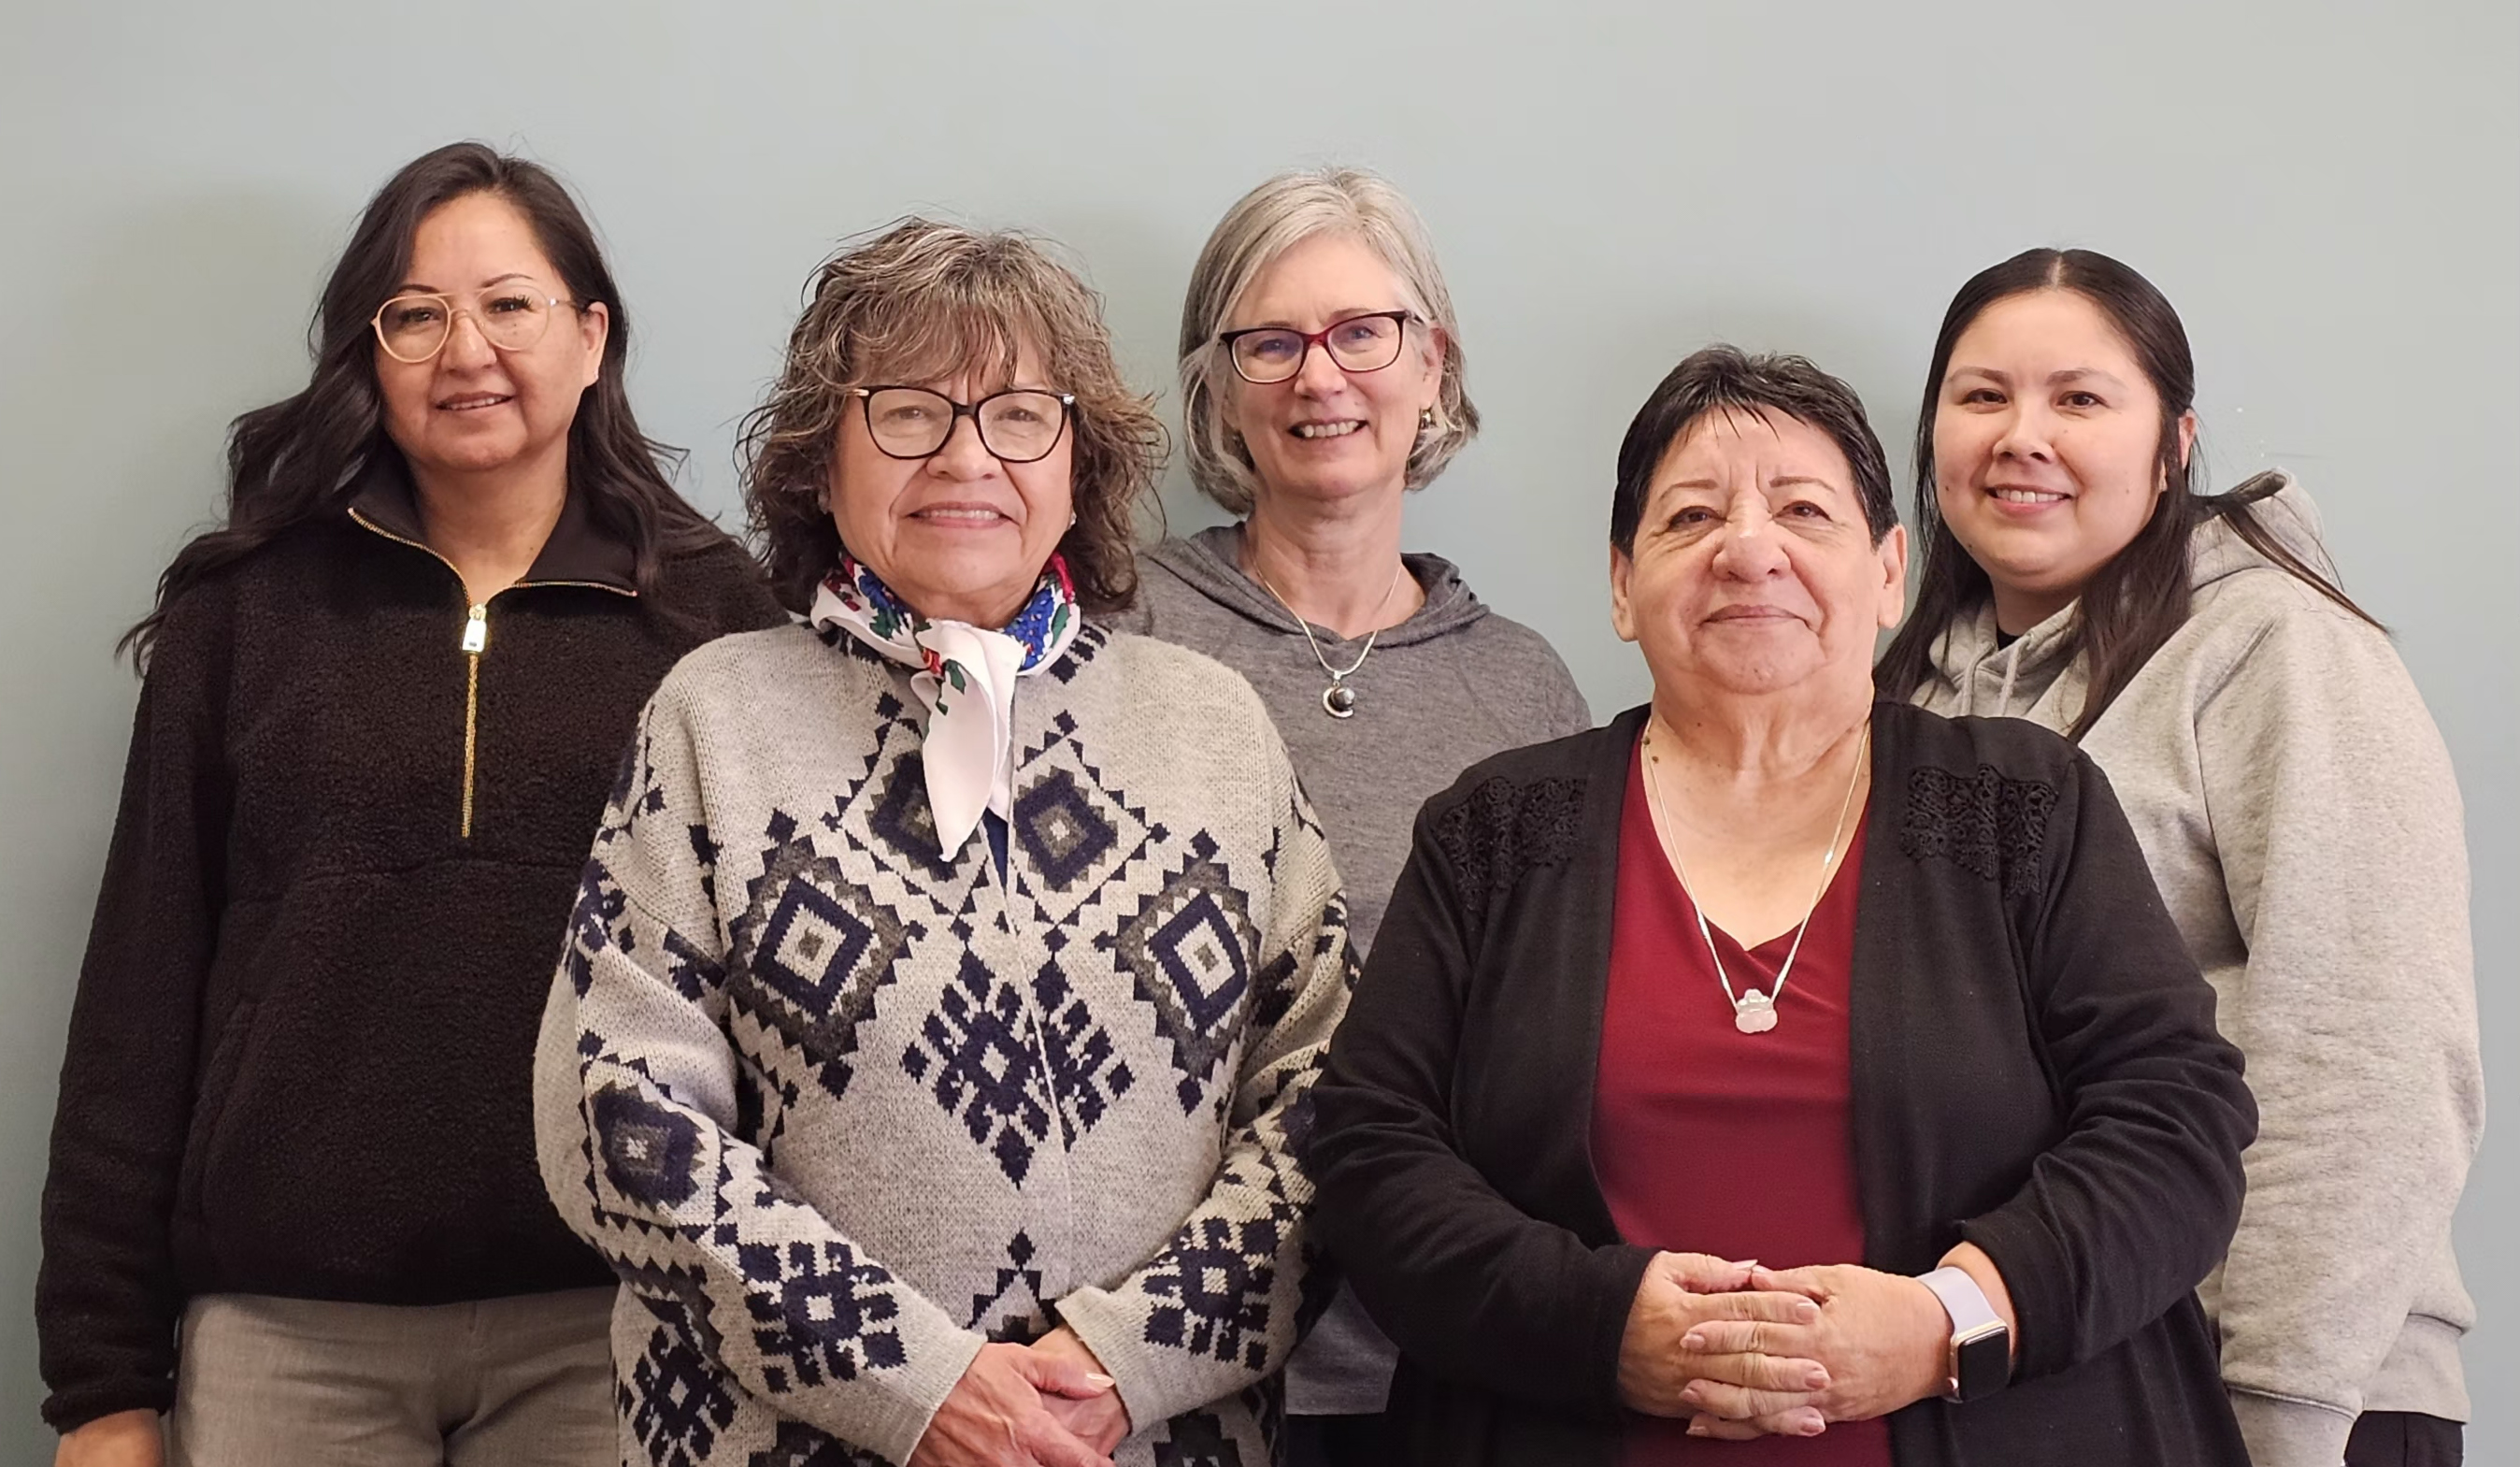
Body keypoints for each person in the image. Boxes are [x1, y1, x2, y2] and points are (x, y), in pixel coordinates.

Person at [1309, 345, 2259, 1465]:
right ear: (1621, 583)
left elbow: (2177, 1122)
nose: (1747, 550)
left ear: (1888, 572)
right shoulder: (1495, 830)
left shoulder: (2026, 809)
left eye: (1803, 511)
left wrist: (1941, 1325)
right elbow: (1370, 1151)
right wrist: (1600, 1327)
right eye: (1689, 518)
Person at [533, 218, 1353, 1467]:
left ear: (1081, 464)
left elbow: (1332, 1094)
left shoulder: (1215, 728)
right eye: (909, 412)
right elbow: (616, 1116)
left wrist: (1122, 1363)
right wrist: (914, 1382)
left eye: (1021, 414)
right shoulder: (716, 717)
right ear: (822, 458)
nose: (967, 456)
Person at [36, 142, 787, 1467]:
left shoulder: (713, 617)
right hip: (287, 1335)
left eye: (509, 303)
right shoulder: (245, 610)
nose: (467, 350)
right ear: (368, 350)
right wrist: (102, 1387)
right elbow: (139, 990)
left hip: (609, 1324)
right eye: (415, 313)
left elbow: (776, 1003)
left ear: (591, 334)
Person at [1874, 247, 2482, 1467]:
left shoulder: (2275, 652)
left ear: (2173, 445)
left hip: (2274, 1393)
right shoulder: (1894, 700)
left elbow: (2370, 1067)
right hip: (2019, 1383)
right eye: (1982, 396)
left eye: (2080, 399)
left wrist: (2275, 1413)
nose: (2021, 437)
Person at [1112, 164, 1590, 1463]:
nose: (1321, 378)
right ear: (1218, 384)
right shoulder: (1116, 628)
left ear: (1431, 362)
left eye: (1363, 333)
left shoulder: (1529, 685)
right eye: (1269, 341)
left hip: (1449, 1360)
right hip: (1159, 1354)